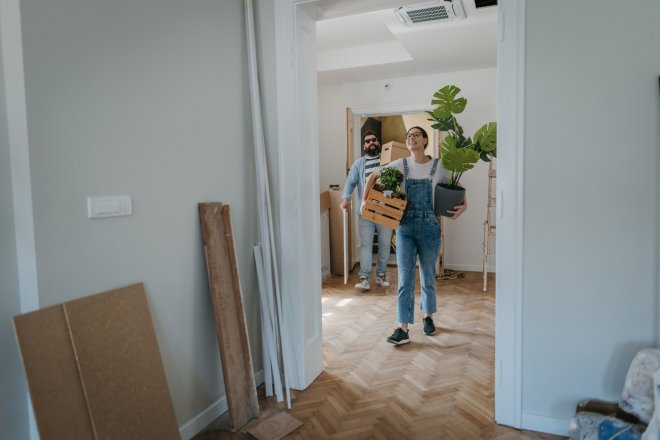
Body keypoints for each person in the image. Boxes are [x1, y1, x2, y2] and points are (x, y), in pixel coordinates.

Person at [362, 126, 467, 345]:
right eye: (408, 136)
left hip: (430, 228)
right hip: (405, 229)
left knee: (428, 276)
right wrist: (364, 200)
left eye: (416, 134)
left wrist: (464, 205)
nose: (411, 138)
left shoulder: (438, 166)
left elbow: (458, 186)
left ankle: (428, 316)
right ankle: (403, 328)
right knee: (405, 279)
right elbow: (373, 175)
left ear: (425, 140)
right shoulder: (401, 165)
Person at [340, 131, 394, 291]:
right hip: (366, 213)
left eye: (373, 140)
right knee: (366, 245)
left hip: (385, 211)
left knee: (384, 245)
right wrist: (345, 199)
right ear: (364, 145)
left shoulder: (387, 161)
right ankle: (364, 278)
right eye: (367, 141)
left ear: (378, 142)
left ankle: (381, 275)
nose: (370, 142)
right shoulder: (359, 164)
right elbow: (350, 182)